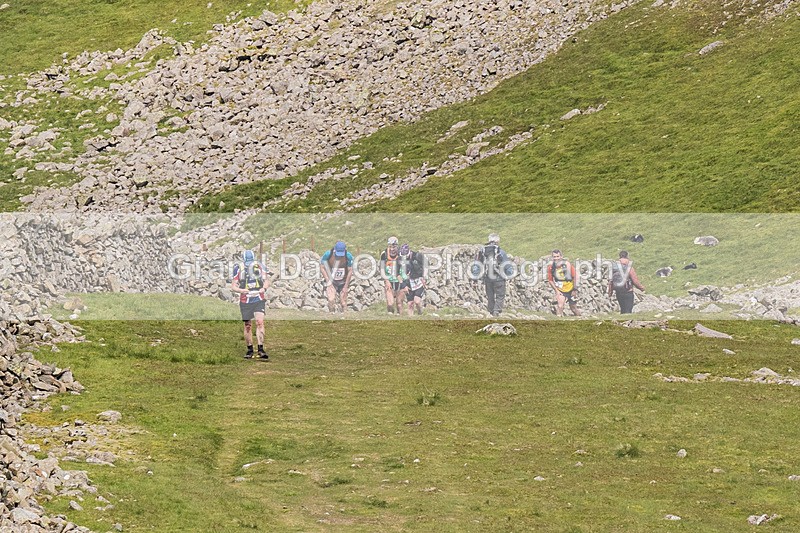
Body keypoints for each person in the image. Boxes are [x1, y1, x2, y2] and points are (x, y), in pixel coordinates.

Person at [231, 250, 269, 359]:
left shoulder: (260, 266)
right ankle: (250, 350)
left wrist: (264, 288)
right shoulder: (238, 269)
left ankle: (261, 349)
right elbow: (233, 286)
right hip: (245, 300)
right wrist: (241, 290)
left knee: (260, 322)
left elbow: (267, 281)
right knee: (247, 325)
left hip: (258, 298)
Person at [472, 233, 514, 317]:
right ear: (497, 241)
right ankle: (496, 311)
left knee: (490, 296)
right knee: (500, 295)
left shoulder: (482, 252)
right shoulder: (501, 252)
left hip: (488, 278)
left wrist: (475, 278)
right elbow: (507, 265)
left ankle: (490, 312)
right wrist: (510, 275)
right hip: (499, 278)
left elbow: (477, 265)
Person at [319, 240, 354, 313]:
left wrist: (346, 286)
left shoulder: (348, 256)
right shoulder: (328, 254)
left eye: (341, 255)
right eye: (338, 255)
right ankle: (331, 314)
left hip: (343, 281)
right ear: (334, 250)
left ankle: (345, 316)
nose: (339, 257)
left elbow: (350, 270)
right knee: (331, 299)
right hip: (332, 281)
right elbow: (322, 267)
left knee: (343, 302)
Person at [548, 249, 581, 317]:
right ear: (552, 257)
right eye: (554, 256)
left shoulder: (567, 265)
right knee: (560, 306)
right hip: (561, 290)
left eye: (557, 256)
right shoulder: (551, 267)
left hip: (571, 289)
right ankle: (557, 322)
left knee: (573, 308)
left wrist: (574, 290)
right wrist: (556, 290)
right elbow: (550, 280)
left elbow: (576, 277)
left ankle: (580, 318)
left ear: (561, 257)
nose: (556, 258)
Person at [381, 236, 408, 314]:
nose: (392, 249)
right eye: (390, 247)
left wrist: (405, 283)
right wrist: (386, 280)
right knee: (390, 304)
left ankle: (401, 320)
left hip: (400, 282)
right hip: (389, 281)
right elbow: (382, 270)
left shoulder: (402, 254)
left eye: (394, 247)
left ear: (397, 246)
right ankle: (390, 315)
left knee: (399, 304)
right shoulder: (384, 254)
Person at [399, 244, 426, 316]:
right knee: (410, 303)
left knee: (417, 301)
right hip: (408, 281)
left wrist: (424, 277)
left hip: (419, 280)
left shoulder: (417, 256)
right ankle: (410, 320)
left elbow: (426, 266)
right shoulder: (401, 259)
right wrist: (404, 285)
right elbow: (399, 274)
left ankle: (420, 313)